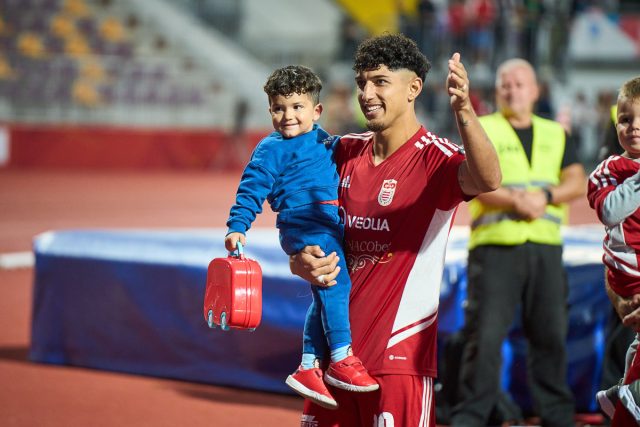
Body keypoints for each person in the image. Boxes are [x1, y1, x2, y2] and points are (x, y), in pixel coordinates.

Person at [289, 33, 502, 426]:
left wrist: (464, 111)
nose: (366, 93)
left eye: (380, 81)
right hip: (334, 357)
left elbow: (489, 179)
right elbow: (308, 229)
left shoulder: (436, 159)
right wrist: (299, 261)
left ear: (413, 88)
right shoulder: (342, 152)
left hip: (399, 360)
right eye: (361, 83)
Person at [224, 65, 379, 411]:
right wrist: (238, 226)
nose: (288, 116)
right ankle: (341, 358)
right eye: (279, 108)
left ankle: (309, 365)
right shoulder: (270, 149)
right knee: (337, 284)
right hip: (305, 223)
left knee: (323, 294)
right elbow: (251, 188)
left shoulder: (325, 140)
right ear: (270, 111)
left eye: (297, 107)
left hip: (326, 223)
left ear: (316, 110)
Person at [450, 58, 586, 427]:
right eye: (505, 85)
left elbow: (577, 179)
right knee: (485, 336)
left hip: (544, 246)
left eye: (520, 84)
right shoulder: (482, 127)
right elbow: (471, 179)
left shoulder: (556, 133)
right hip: (495, 247)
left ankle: (557, 415)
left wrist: (545, 195)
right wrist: (515, 201)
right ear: (497, 91)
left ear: (535, 90)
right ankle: (472, 414)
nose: (512, 91)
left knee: (550, 334)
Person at [588, 76, 640, 425]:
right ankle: (628, 399)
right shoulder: (610, 170)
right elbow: (609, 210)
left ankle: (624, 391)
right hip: (630, 274)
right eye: (625, 119)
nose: (633, 126)